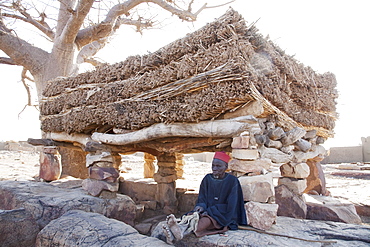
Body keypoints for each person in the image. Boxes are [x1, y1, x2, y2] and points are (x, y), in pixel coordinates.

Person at [163, 151, 247, 243]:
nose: (214, 168)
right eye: (213, 165)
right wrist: (201, 206)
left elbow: (232, 206)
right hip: (206, 211)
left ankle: (180, 230)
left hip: (221, 215)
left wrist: (212, 211)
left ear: (226, 167)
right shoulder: (207, 179)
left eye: (218, 166)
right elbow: (202, 198)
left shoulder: (232, 181)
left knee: (205, 221)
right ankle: (176, 231)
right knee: (191, 216)